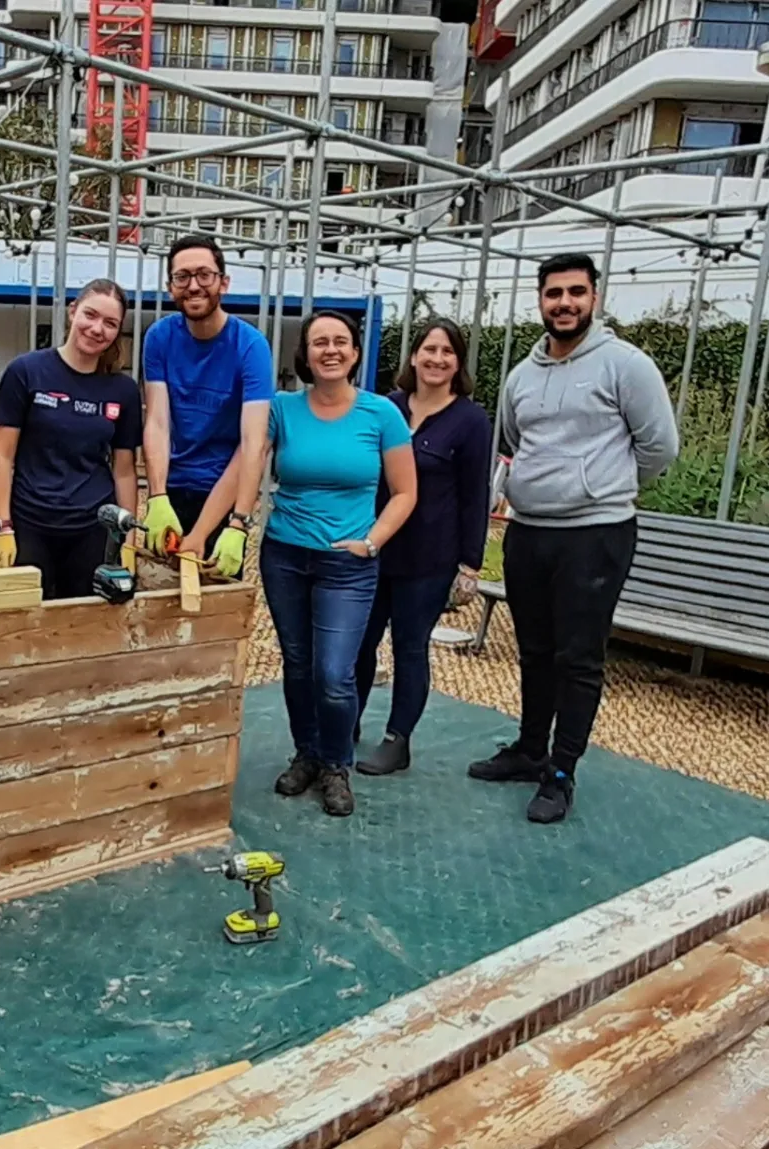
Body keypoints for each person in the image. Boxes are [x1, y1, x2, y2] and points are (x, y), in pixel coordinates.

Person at [469, 253, 679, 825]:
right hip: (529, 533)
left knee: (578, 657)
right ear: (540, 300)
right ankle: (530, 750)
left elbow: (659, 446)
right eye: (554, 293)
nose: (564, 303)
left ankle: (561, 773)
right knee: (534, 650)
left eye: (576, 292)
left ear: (595, 298)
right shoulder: (522, 375)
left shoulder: (625, 366)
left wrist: (604, 487)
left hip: (596, 535)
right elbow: (515, 439)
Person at [263, 312, 417, 818]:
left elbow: (405, 492)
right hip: (285, 553)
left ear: (355, 353)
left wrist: (371, 543)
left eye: (341, 342)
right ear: (304, 355)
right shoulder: (282, 409)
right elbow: (246, 463)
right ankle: (306, 753)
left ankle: (336, 764)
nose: (330, 350)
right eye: (319, 343)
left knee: (334, 672)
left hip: (347, 564)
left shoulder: (380, 414)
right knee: (298, 663)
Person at [353, 318, 494, 777]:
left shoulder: (471, 421)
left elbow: (476, 496)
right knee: (359, 642)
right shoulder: (385, 407)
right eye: (429, 349)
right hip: (375, 546)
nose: (436, 359)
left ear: (458, 363)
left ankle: (398, 740)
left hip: (429, 557)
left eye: (447, 352)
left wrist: (470, 563)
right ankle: (345, 722)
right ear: (413, 356)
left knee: (410, 647)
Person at [0, 280, 142, 600]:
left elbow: (124, 470)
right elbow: (1, 455)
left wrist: (128, 541)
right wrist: (3, 528)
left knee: (83, 626)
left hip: (92, 529)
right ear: (72, 312)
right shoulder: (26, 372)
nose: (97, 329)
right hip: (31, 523)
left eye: (110, 323)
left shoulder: (122, 391)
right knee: (25, 625)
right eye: (90, 315)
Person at [140, 233, 273, 579]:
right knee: (157, 614)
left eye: (204, 275)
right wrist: (156, 497)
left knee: (217, 618)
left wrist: (237, 523)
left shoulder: (250, 346)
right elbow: (156, 421)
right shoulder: (159, 338)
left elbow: (253, 443)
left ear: (223, 283)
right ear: (170, 286)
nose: (194, 286)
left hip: (223, 491)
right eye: (182, 277)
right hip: (171, 491)